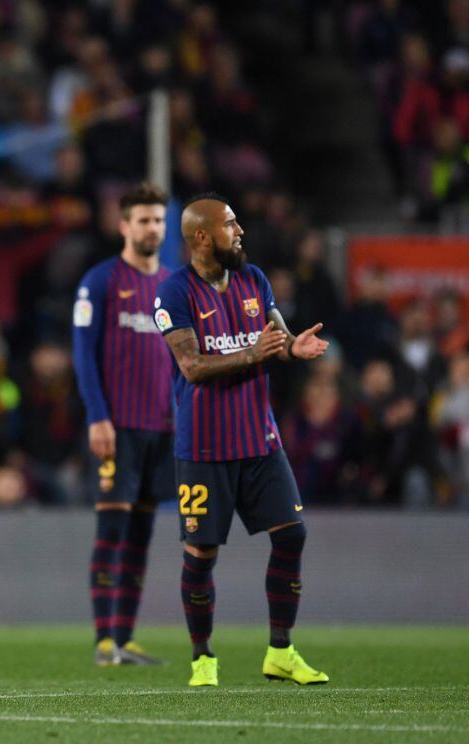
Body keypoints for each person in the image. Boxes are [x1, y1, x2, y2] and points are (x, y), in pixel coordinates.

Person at [153, 193, 330, 687]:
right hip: (205, 448)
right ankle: (203, 659)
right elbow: (191, 367)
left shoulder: (254, 280)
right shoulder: (174, 293)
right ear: (202, 237)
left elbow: (278, 340)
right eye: (231, 224)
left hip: (260, 440)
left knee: (292, 535)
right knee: (202, 554)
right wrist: (254, 354)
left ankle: (280, 651)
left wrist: (294, 347)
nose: (241, 231)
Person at [72, 182, 175, 666]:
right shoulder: (101, 281)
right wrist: (97, 417)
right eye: (143, 220)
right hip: (118, 428)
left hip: (165, 430)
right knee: (112, 530)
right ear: (124, 226)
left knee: (142, 533)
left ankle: (126, 636)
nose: (152, 227)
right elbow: (83, 355)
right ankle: (103, 640)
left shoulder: (175, 287)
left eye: (158, 219)